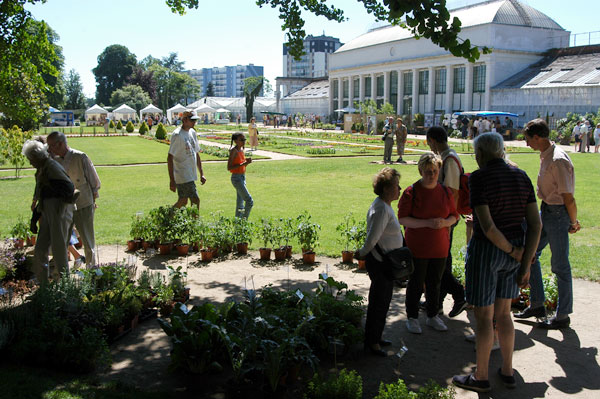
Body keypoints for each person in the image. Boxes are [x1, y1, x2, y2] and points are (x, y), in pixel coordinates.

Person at [452, 132, 541, 393]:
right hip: (515, 250)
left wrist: (513, 251)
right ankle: (508, 370)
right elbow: (535, 224)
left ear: (480, 154)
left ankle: (480, 376)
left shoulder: (479, 178)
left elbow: (488, 227)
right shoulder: (522, 176)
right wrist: (524, 261)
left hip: (488, 252)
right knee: (504, 314)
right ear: (501, 151)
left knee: (483, 317)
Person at [516, 119, 580, 329]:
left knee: (560, 266)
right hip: (547, 211)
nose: (526, 144)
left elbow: (568, 197)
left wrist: (573, 221)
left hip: (558, 213)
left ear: (538, 137)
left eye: (528, 140)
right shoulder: (547, 156)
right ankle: (537, 304)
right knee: (531, 254)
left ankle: (562, 315)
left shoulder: (558, 160)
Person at [398, 152, 459, 334]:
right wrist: (427, 223)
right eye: (427, 172)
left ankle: (433, 316)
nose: (431, 175)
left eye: (434, 171)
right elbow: (403, 219)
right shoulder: (412, 192)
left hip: (439, 246)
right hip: (418, 247)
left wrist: (444, 222)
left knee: (435, 283)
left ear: (439, 170)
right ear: (420, 171)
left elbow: (454, 215)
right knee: (416, 283)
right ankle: (412, 317)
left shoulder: (445, 192)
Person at [355, 167, 404, 357]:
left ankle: (376, 336)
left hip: (384, 263)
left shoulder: (383, 205)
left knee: (383, 301)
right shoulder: (382, 209)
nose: (399, 189)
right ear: (385, 189)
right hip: (381, 263)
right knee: (379, 302)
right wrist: (361, 253)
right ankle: (372, 342)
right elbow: (372, 238)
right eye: (395, 186)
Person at [426, 126, 467, 318]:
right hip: (445, 217)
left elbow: (453, 192)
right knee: (441, 259)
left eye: (429, 143)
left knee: (439, 260)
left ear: (433, 140)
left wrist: (447, 220)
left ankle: (459, 294)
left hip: (446, 218)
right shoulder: (448, 157)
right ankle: (437, 301)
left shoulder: (449, 159)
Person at [47, 131, 101, 267]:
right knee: (61, 238)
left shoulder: (80, 157)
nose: (49, 149)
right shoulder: (54, 161)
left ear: (60, 144)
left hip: (83, 203)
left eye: (51, 146)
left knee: (87, 240)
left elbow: (94, 182)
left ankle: (91, 269)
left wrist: (93, 202)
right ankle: (62, 271)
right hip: (64, 205)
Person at [24, 139, 75, 282]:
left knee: (59, 249)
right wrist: (34, 219)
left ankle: (64, 283)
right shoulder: (42, 169)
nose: (30, 163)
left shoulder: (51, 167)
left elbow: (69, 188)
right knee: (40, 249)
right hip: (47, 211)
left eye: (30, 159)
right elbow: (41, 195)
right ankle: (43, 284)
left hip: (59, 212)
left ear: (36, 157)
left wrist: (50, 190)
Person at [167, 111, 206, 210]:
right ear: (184, 120)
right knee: (195, 200)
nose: (194, 122)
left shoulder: (192, 132)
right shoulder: (177, 135)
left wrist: (201, 173)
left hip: (190, 174)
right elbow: (170, 157)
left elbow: (196, 152)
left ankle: (168, 217)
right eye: (192, 120)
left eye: (195, 120)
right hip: (182, 174)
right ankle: (194, 223)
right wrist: (172, 180)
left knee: (183, 201)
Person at [227, 133, 253, 219]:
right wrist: (243, 163)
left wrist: (246, 163)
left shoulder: (241, 150)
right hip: (236, 178)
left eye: (244, 140)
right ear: (235, 141)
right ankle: (243, 220)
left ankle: (238, 222)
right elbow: (229, 167)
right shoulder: (234, 151)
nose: (244, 142)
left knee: (240, 203)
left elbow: (242, 165)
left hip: (242, 177)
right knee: (249, 201)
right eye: (241, 140)